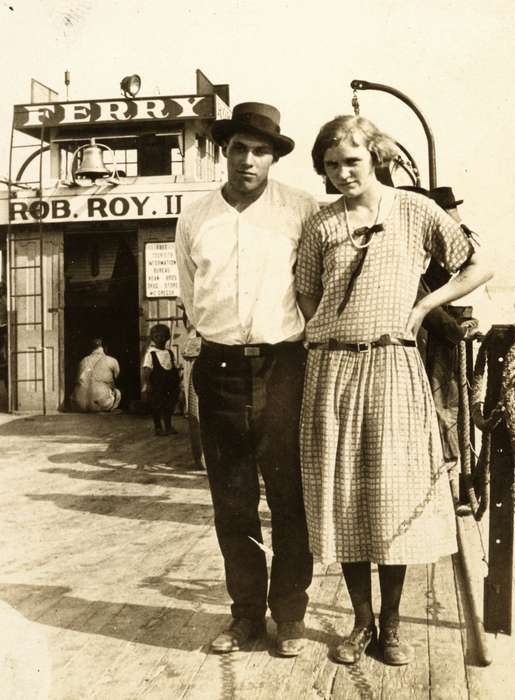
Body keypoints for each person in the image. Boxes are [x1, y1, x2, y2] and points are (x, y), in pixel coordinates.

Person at [295, 115, 493, 666]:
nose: (341, 173)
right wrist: (336, 332)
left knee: (392, 496)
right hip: (333, 373)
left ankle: (393, 625)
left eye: (351, 162)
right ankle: (361, 623)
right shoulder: (321, 224)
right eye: (331, 165)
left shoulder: (414, 211)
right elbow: (307, 294)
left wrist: (424, 307)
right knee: (348, 498)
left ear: (375, 157)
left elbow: (479, 264)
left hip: (393, 370)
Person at [175, 102, 318, 657]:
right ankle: (245, 618)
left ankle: (291, 617)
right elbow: (191, 292)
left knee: (289, 500)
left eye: (261, 151)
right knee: (232, 502)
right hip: (219, 369)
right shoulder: (196, 216)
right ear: (224, 150)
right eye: (239, 148)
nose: (249, 160)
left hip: (284, 366)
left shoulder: (301, 211)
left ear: (274, 157)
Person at [418, 187, 480, 469]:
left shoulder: (456, 240)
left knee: (447, 400)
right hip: (438, 332)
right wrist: (455, 330)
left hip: (445, 329)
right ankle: (450, 464)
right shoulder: (430, 247)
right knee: (443, 401)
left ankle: (452, 462)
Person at [141, 323, 181, 436]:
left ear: (168, 337)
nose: (161, 339)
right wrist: (147, 384)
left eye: (164, 336)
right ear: (153, 338)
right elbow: (147, 370)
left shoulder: (169, 352)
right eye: (158, 337)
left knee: (169, 405)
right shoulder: (151, 354)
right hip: (157, 384)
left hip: (169, 384)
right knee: (157, 405)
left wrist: (178, 379)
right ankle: (158, 427)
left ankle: (168, 426)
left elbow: (173, 367)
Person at [72, 337, 121, 412]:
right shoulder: (112, 360)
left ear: (90, 349)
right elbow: (117, 379)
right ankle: (110, 410)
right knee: (118, 392)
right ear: (105, 348)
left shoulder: (83, 360)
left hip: (78, 405)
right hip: (100, 404)